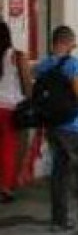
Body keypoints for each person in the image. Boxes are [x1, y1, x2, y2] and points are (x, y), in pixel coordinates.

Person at [35, 26, 78, 233]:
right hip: (73, 125)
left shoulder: (44, 64)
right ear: (67, 42)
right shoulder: (74, 63)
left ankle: (59, 220)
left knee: (59, 171)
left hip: (52, 123)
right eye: (73, 41)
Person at [0, 21, 29, 202]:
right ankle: (6, 187)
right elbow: (27, 83)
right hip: (10, 108)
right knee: (9, 148)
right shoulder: (17, 56)